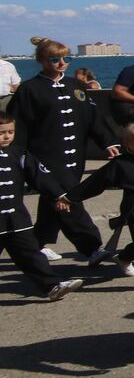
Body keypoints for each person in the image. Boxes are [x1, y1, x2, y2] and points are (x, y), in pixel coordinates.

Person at [10, 37, 120, 264]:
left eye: (66, 59)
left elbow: (93, 118)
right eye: (55, 59)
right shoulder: (30, 89)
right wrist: (16, 158)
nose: (61, 63)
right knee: (67, 198)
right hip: (45, 157)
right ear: (42, 60)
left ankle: (36, 243)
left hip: (74, 156)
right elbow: (18, 127)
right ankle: (92, 248)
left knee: (54, 201)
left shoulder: (75, 86)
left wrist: (108, 142)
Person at [57, 122, 134, 291]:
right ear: (128, 144)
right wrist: (70, 198)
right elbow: (96, 182)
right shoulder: (120, 164)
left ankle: (123, 257)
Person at [0, 112, 85, 301]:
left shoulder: (20, 155)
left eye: (11, 132)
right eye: (2, 133)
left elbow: (41, 177)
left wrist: (59, 195)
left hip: (16, 219)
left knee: (31, 255)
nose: (7, 137)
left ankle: (52, 286)